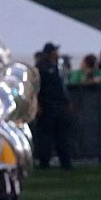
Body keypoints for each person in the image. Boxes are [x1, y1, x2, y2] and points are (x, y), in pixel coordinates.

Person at [34, 42, 73, 170]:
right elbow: (35, 88)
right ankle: (45, 162)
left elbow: (62, 88)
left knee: (62, 135)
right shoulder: (40, 68)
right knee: (46, 136)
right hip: (47, 105)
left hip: (59, 105)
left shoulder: (57, 67)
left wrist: (66, 102)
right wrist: (37, 104)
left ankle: (65, 161)